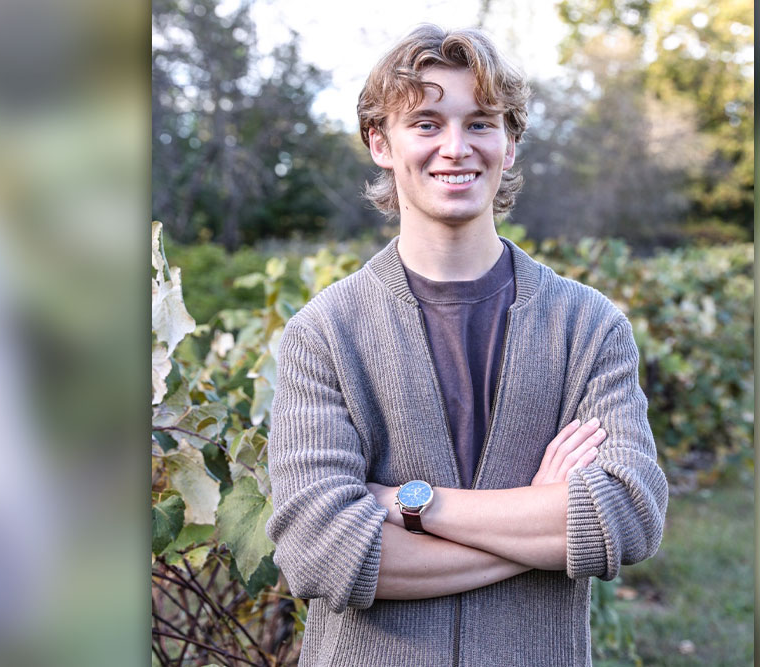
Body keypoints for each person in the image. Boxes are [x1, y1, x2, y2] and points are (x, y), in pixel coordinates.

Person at [265, 24, 668, 666]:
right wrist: (541, 519)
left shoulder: (588, 325)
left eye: (481, 123)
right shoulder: (325, 332)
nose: (456, 147)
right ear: (380, 143)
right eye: (426, 123)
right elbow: (318, 551)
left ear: (509, 145)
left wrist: (409, 504)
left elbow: (627, 514)